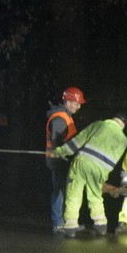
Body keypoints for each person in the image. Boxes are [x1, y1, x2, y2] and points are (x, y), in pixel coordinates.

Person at [52, 113, 127, 237]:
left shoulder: (99, 124)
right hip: (99, 171)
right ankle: (101, 225)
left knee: (74, 193)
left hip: (82, 163)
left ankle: (71, 227)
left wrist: (61, 151)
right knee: (95, 195)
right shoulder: (124, 140)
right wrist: (103, 175)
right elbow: (113, 161)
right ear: (122, 126)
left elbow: (78, 141)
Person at [44, 87, 86, 234]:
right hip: (58, 159)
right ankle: (58, 223)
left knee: (65, 190)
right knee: (59, 190)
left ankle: (66, 222)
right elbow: (58, 142)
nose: (79, 106)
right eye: (76, 103)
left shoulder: (65, 116)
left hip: (63, 158)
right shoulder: (60, 118)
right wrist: (63, 154)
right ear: (67, 101)